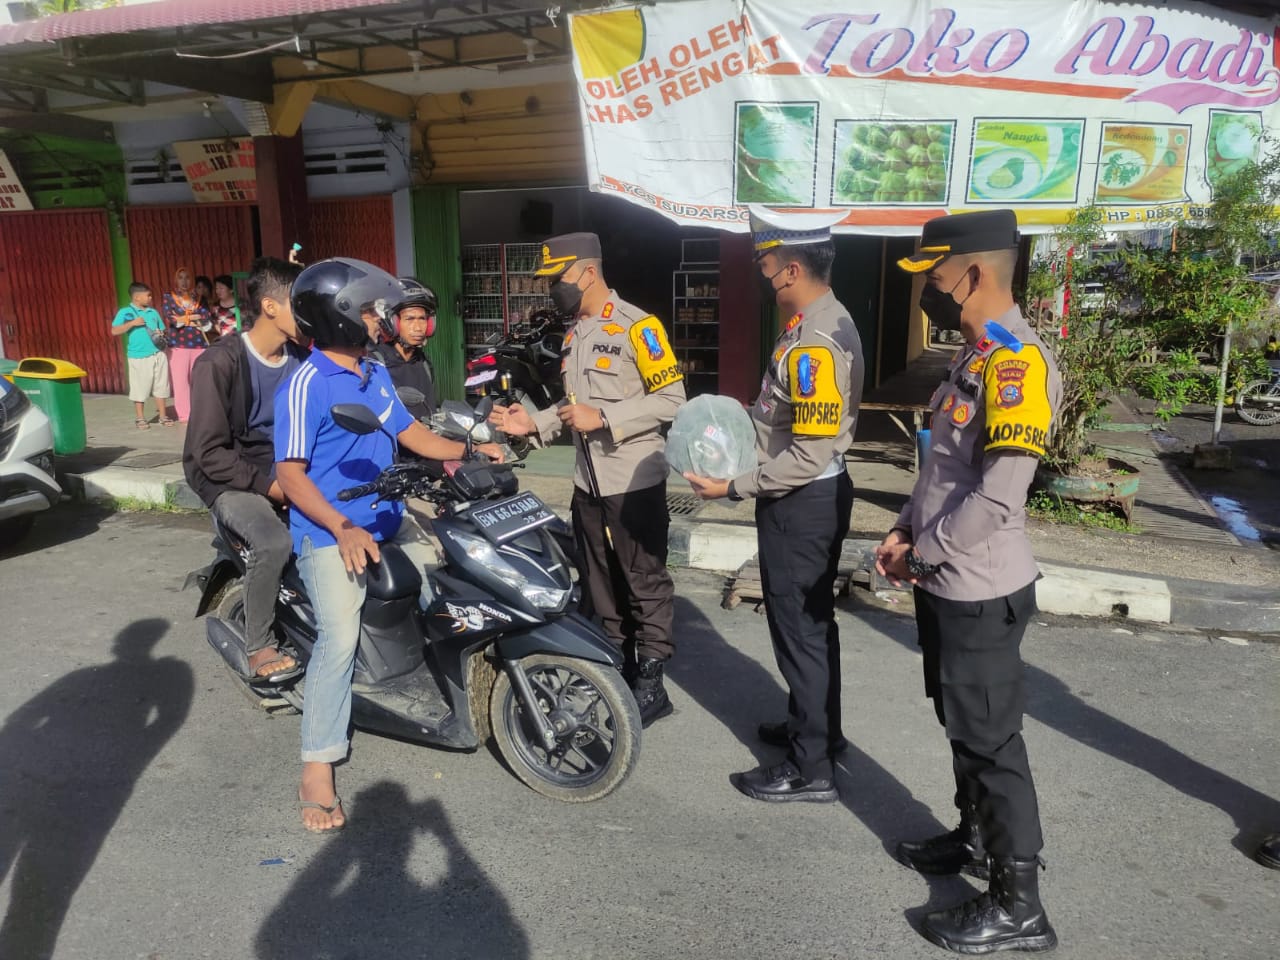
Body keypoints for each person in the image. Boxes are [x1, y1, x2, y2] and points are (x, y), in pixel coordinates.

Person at [875, 209, 1062, 954]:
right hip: (948, 580)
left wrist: (925, 553)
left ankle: (1021, 906)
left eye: (934, 276)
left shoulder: (1017, 364)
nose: (929, 291)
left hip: (978, 586)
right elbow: (940, 474)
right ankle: (976, 841)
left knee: (993, 746)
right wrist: (901, 528)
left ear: (974, 274)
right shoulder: (972, 356)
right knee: (962, 725)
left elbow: (995, 498)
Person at [273, 258, 504, 833]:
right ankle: (317, 764)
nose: (384, 320)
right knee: (339, 637)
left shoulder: (372, 373)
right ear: (344, 316)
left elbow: (414, 434)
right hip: (331, 531)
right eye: (375, 310)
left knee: (453, 579)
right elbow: (291, 474)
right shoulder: (305, 384)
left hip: (387, 515)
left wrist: (473, 451)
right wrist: (340, 527)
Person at [685, 207, 863, 803]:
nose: (761, 274)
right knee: (812, 628)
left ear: (790, 268)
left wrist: (731, 487)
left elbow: (808, 456)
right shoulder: (817, 321)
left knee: (800, 633)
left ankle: (811, 769)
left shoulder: (813, 343)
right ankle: (817, 731)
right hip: (808, 497)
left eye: (764, 263)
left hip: (801, 501)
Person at [492, 233, 685, 726]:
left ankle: (651, 680)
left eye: (558, 280)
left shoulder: (638, 327)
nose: (553, 289)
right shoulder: (576, 332)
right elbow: (571, 405)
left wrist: (606, 417)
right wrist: (531, 423)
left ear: (588, 273)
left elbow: (672, 400)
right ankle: (615, 665)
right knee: (598, 580)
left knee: (644, 579)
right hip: (587, 483)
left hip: (632, 479)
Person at [183, 256, 306, 683]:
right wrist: (271, 487)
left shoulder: (301, 359)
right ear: (271, 307)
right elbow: (207, 451)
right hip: (228, 475)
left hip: (283, 467)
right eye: (300, 302)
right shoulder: (218, 363)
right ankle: (259, 645)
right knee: (273, 542)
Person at [371, 278, 439, 420]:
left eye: (422, 319)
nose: (418, 327)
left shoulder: (424, 363)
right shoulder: (376, 364)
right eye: (409, 319)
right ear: (392, 322)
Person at [111, 282, 173, 429]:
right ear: (137, 297)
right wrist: (132, 323)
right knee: (140, 387)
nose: (151, 298)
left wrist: (161, 333)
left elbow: (163, 330)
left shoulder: (153, 312)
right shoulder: (125, 312)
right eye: (148, 295)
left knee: (161, 385)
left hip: (158, 353)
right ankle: (140, 418)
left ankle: (163, 416)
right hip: (138, 356)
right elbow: (114, 331)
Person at [162, 266, 212, 422]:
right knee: (181, 381)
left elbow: (205, 319)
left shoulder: (199, 298)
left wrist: (184, 319)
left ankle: (202, 411)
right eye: (181, 277)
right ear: (176, 280)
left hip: (199, 344)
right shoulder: (169, 297)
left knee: (199, 379)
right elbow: (171, 318)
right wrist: (192, 319)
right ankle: (185, 414)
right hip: (178, 345)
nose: (184, 281)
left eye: (187, 277)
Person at [210, 274, 241, 338]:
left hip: (240, 342)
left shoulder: (241, 304)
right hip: (224, 343)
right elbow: (215, 325)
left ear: (231, 289)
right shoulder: (215, 307)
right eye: (216, 288)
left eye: (221, 288)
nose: (218, 291)